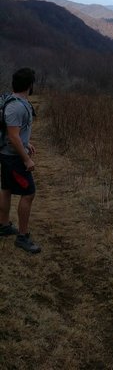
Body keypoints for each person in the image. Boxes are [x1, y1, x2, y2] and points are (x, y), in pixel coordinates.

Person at [0, 67, 41, 253]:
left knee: (6, 189)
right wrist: (26, 159)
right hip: (14, 158)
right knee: (29, 193)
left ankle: (3, 225)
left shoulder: (13, 100)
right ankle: (22, 237)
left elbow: (17, 133)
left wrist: (27, 142)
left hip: (8, 154)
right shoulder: (16, 106)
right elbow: (13, 136)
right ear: (29, 85)